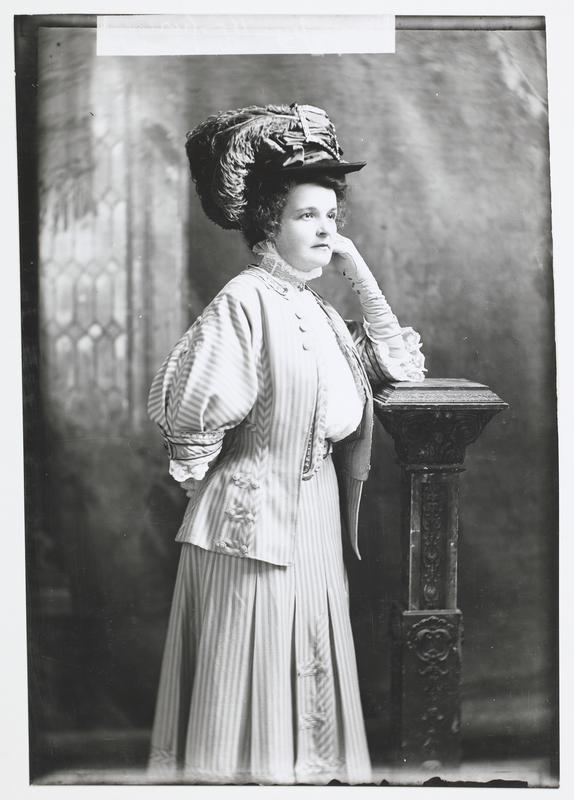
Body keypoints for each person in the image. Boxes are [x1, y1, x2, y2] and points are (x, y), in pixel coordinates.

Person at [146, 102, 425, 785]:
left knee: (308, 673)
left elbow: (398, 365)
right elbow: (192, 418)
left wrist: (356, 267)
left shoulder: (319, 310)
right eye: (306, 215)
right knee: (251, 675)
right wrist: (224, 489)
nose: (326, 229)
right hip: (250, 526)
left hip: (315, 516)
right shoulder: (244, 301)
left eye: (332, 215)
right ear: (268, 223)